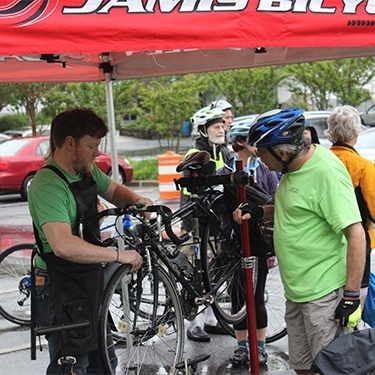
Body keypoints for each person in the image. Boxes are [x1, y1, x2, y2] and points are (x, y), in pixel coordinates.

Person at [233, 107, 366, 374]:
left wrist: (351, 296)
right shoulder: (291, 169)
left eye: (262, 155)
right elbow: (294, 209)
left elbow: (356, 234)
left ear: (282, 152)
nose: (260, 161)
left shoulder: (326, 173)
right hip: (297, 292)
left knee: (331, 369)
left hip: (325, 295)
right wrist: (260, 211)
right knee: (303, 367)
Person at [28, 108, 153, 375]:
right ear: (70, 143)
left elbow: (115, 191)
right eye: (92, 146)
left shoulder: (85, 170)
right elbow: (63, 245)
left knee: (103, 363)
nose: (97, 153)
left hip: (86, 281)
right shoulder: (48, 185)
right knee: (73, 366)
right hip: (58, 285)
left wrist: (139, 202)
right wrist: (120, 256)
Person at [222, 119, 279, 367]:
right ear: (241, 142)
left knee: (257, 296)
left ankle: (260, 347)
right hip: (233, 243)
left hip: (258, 242)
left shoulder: (264, 169)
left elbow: (275, 199)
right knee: (237, 296)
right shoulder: (226, 169)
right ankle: (241, 346)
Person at [182, 106, 231, 342]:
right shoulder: (195, 153)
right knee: (196, 274)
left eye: (222, 125)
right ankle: (194, 323)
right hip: (197, 222)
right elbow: (186, 189)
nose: (221, 130)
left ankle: (212, 321)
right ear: (203, 130)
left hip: (217, 221)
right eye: (216, 126)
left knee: (214, 274)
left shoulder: (224, 151)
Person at [325, 105, 375, 306]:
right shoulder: (362, 166)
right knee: (355, 301)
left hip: (324, 240)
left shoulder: (321, 161)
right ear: (356, 131)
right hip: (357, 240)